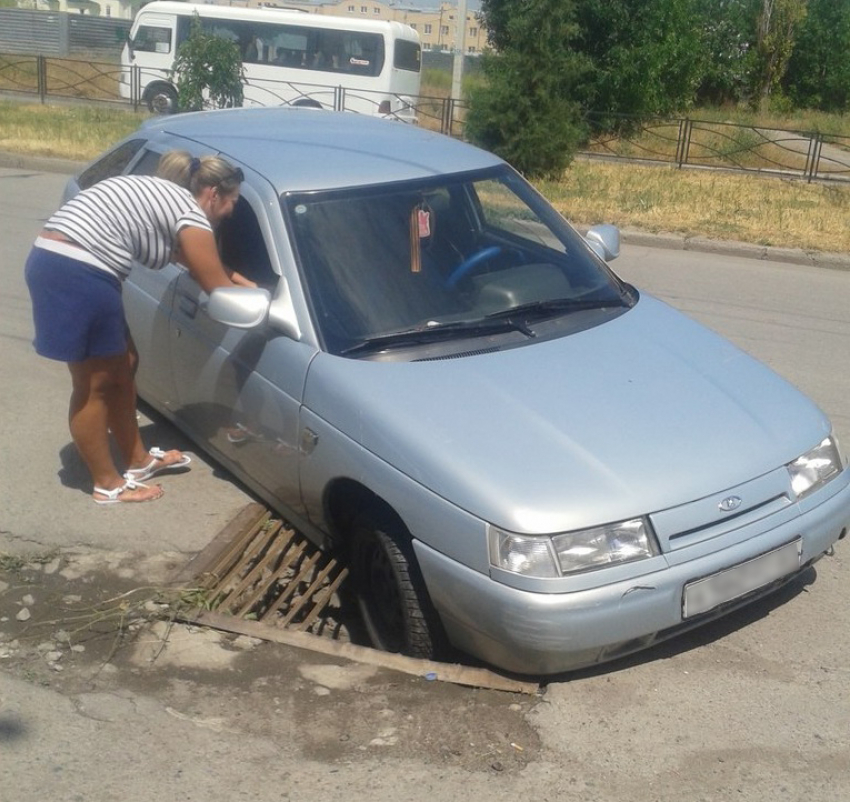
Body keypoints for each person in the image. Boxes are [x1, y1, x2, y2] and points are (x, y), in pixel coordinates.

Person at [25, 151, 255, 505]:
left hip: (70, 265)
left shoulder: (170, 200)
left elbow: (196, 263)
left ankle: (138, 460)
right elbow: (217, 288)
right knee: (94, 386)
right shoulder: (190, 215)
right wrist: (255, 297)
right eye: (234, 201)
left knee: (125, 364)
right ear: (213, 195)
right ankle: (107, 485)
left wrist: (245, 281)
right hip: (75, 271)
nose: (232, 211)